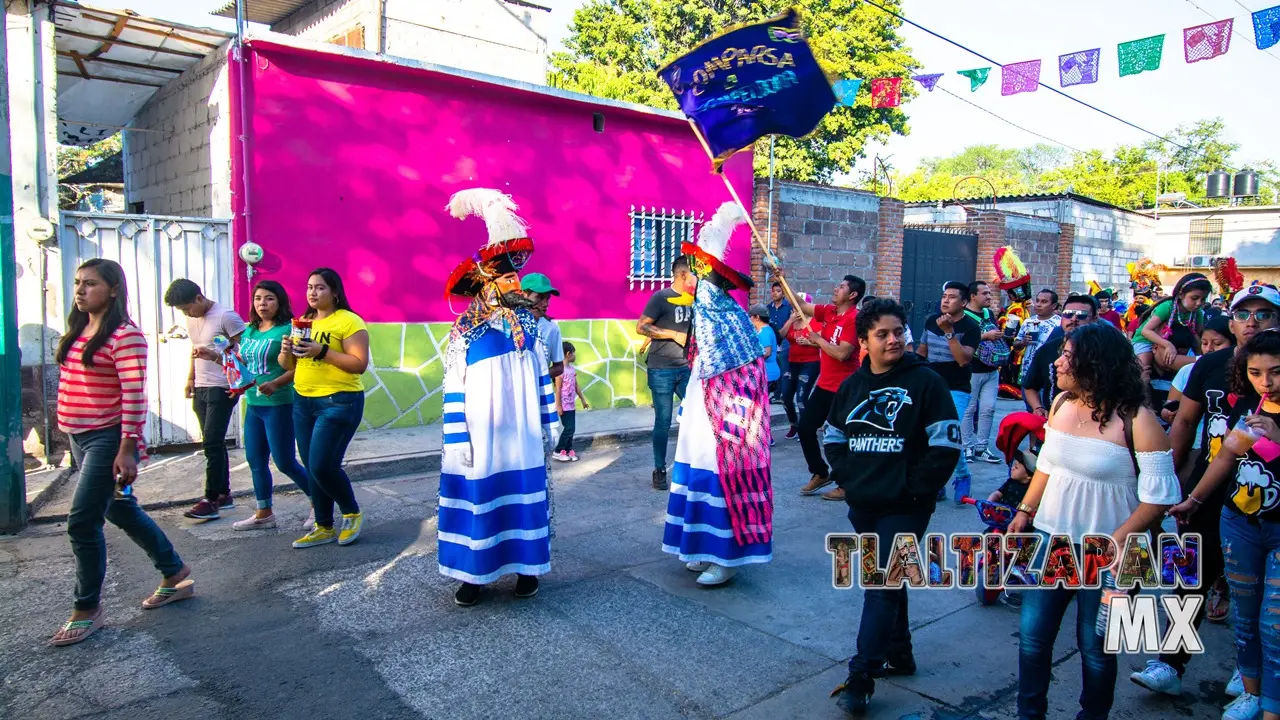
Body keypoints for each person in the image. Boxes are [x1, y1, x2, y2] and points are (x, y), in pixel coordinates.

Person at [1008, 323, 1181, 720]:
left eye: (1067, 355)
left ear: (1095, 363)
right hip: (1053, 543)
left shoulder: (1138, 419)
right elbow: (1048, 465)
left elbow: (1160, 500)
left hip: (1115, 557)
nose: (1057, 361)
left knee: (1097, 649)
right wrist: (1024, 511)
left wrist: (1115, 543)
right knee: (1033, 640)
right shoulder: (1062, 404)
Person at [1133, 284, 1280, 699]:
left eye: (1264, 314)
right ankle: (1169, 662)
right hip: (1211, 487)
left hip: (1266, 500)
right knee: (1190, 576)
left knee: (1256, 596)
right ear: (1230, 321)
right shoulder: (1211, 365)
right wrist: (1176, 480)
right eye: (1244, 314)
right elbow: (1183, 423)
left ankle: (1246, 671)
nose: (1252, 322)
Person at [824, 299, 961, 715]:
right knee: (889, 578)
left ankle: (862, 674)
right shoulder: (852, 386)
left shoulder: (926, 382)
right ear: (863, 340)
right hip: (864, 505)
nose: (894, 339)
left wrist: (913, 489)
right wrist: (850, 480)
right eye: (882, 333)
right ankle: (900, 653)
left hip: (906, 506)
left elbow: (946, 445)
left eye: (899, 331)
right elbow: (832, 437)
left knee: (880, 582)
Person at [50, 259, 192, 646]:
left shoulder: (125, 335)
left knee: (81, 522)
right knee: (118, 507)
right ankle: (174, 571)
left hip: (107, 438)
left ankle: (87, 609)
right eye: (78, 283)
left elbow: (133, 394)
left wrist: (128, 448)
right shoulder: (80, 328)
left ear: (113, 290)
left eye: (90, 284)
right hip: (79, 435)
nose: (80, 290)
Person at [437, 188, 555, 606]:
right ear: (485, 285)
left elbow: (543, 378)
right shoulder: (462, 337)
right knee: (480, 500)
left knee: (524, 498)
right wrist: (456, 440)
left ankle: (527, 571)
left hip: (522, 437)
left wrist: (550, 422)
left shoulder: (529, 331)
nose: (514, 284)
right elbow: (453, 392)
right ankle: (473, 576)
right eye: (504, 278)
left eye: (514, 277)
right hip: (480, 438)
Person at [1168, 329, 1280, 720]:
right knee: (1247, 618)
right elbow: (1226, 458)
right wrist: (1194, 499)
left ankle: (1272, 704)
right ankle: (1251, 694)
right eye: (1255, 373)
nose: (1266, 382)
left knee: (1274, 623)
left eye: (1276, 372)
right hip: (1239, 523)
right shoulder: (1249, 405)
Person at [662, 203, 773, 586]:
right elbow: (702, 362)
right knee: (697, 471)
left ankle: (726, 556)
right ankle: (700, 547)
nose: (689, 281)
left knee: (721, 473)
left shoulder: (724, 315)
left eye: (694, 275)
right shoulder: (710, 312)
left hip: (726, 414)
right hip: (702, 405)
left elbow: (742, 374)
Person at [280, 268, 369, 549]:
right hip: (303, 401)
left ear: (335, 292)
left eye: (319, 287)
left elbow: (359, 364)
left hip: (339, 402)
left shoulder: (349, 322)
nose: (312, 292)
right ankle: (323, 526)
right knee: (312, 467)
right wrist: (286, 350)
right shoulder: (303, 322)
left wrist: (323, 351)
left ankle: (352, 512)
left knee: (322, 465)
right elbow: (290, 366)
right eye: (309, 287)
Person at [226, 280, 314, 530]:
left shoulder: (289, 329)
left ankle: (319, 504)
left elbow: (299, 368)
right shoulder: (251, 330)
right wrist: (237, 384)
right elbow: (246, 365)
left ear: (280, 301)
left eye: (269, 299)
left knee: (285, 461)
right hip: (254, 404)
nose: (262, 304)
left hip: (280, 404)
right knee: (255, 460)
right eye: (258, 299)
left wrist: (276, 383)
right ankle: (264, 513)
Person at [777, 270, 864, 502]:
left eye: (842, 286)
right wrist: (781, 278)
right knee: (805, 428)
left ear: (853, 294)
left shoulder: (854, 319)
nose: (836, 288)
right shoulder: (829, 311)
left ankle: (846, 485)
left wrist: (817, 340)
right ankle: (820, 472)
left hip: (846, 389)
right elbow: (797, 302)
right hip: (825, 385)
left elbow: (843, 354)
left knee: (839, 437)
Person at [164, 278, 246, 520]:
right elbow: (195, 350)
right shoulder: (191, 319)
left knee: (211, 443)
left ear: (199, 298)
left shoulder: (226, 317)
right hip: (201, 386)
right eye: (181, 310)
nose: (186, 313)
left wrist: (221, 364)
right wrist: (190, 378)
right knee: (214, 443)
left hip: (222, 386)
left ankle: (210, 499)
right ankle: (223, 494)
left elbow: (245, 353)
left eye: (188, 307)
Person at [917, 281, 981, 503]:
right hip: (930, 386)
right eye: (944, 296)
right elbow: (922, 353)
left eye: (952, 297)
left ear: (964, 302)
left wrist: (949, 333)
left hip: (957, 389)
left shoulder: (971, 327)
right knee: (928, 436)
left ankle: (962, 476)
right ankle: (938, 483)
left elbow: (963, 360)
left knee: (949, 435)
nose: (945, 300)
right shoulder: (930, 322)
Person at [638, 256, 695, 490]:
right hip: (661, 369)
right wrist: (672, 334)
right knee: (663, 421)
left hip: (685, 368)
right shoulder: (661, 297)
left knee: (694, 416)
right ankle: (659, 469)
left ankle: (692, 465)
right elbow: (641, 326)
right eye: (692, 274)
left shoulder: (692, 300)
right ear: (682, 275)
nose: (695, 278)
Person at [1132, 272, 1211, 383]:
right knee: (1143, 371)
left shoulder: (1197, 313)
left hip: (1176, 342)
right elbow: (1146, 331)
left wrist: (1203, 353)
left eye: (1203, 299)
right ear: (1181, 295)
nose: (1198, 303)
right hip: (1146, 340)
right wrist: (1168, 345)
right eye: (1194, 298)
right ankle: (1144, 396)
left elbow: (1197, 335)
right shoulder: (1167, 307)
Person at [962, 280, 1008, 464]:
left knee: (988, 409)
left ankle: (982, 447)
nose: (989, 296)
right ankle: (967, 446)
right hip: (973, 370)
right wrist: (984, 336)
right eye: (985, 293)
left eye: (989, 293)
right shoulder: (964, 316)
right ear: (973, 296)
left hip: (991, 369)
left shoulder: (989, 313)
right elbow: (961, 339)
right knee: (969, 408)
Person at [779, 292, 821, 440]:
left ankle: (806, 428)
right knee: (785, 396)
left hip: (810, 363)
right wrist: (790, 320)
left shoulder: (816, 321)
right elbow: (781, 336)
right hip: (792, 362)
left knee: (802, 398)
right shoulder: (792, 318)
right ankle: (794, 424)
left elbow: (822, 342)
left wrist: (809, 342)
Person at [1013, 289, 1061, 384]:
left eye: (1044, 302)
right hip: (1028, 370)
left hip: (1049, 371)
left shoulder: (1060, 323)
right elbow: (1015, 346)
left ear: (1054, 306)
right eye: (1037, 300)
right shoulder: (1028, 322)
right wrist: (1023, 342)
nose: (1038, 304)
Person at [553, 341, 589, 462]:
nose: (575, 355)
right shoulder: (560, 371)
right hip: (563, 405)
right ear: (568, 354)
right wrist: (558, 405)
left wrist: (583, 400)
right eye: (574, 353)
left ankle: (567, 451)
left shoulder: (572, 369)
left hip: (571, 404)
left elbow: (576, 386)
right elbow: (557, 388)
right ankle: (558, 451)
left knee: (571, 429)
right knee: (569, 428)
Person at [767, 281, 793, 402]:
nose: (775, 293)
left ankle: (779, 395)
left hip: (785, 341)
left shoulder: (789, 308)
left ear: (783, 293)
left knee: (783, 368)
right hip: (772, 342)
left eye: (778, 291)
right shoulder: (768, 308)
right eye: (773, 291)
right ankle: (773, 392)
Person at [749, 304, 781, 386]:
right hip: (766, 373)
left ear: (757, 317)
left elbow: (767, 352)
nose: (749, 319)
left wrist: (750, 362)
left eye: (750, 316)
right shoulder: (766, 329)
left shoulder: (765, 332)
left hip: (767, 374)